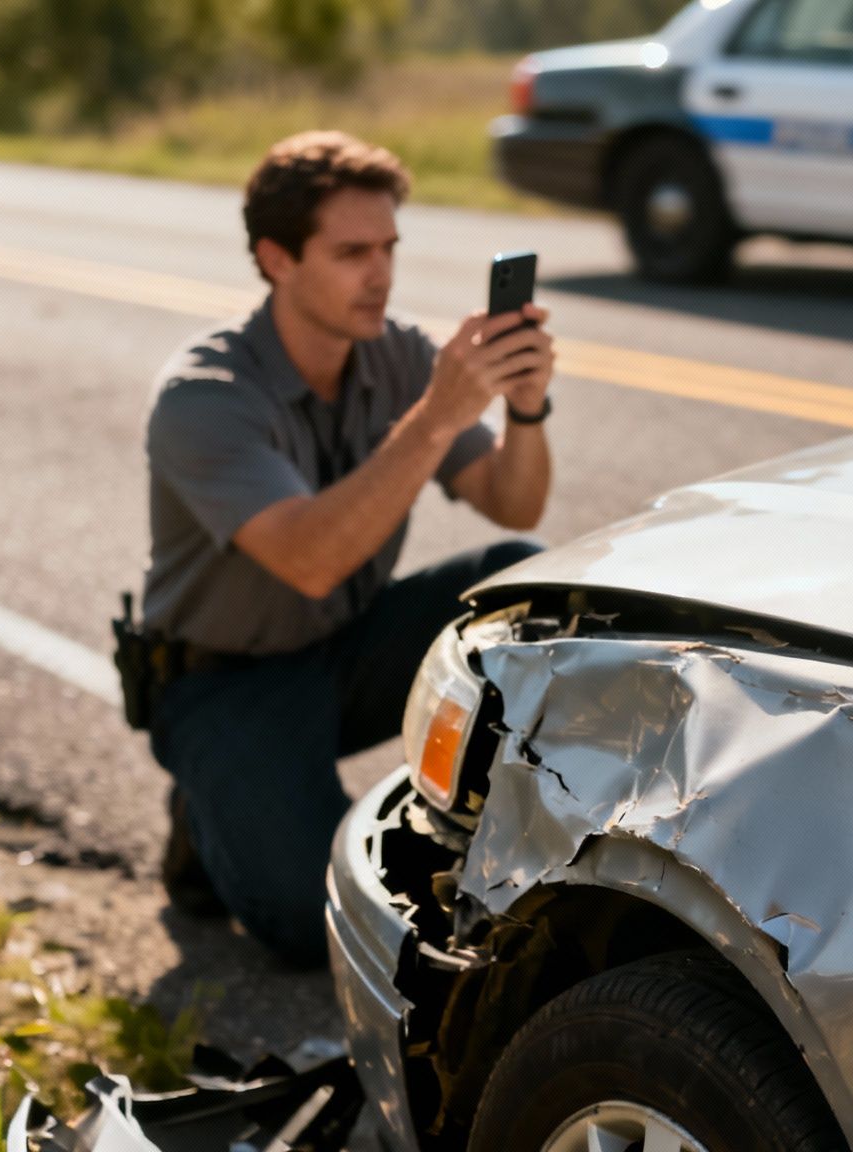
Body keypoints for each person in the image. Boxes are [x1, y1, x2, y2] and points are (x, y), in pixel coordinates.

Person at [138, 131, 556, 966]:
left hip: (344, 648)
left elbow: (513, 499)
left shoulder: (396, 354)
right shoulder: (203, 395)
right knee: (316, 924)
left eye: (389, 248)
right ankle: (209, 810)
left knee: (521, 579)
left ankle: (507, 830)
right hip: (223, 682)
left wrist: (527, 408)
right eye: (352, 252)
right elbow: (309, 559)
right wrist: (440, 411)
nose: (381, 274)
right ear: (276, 258)